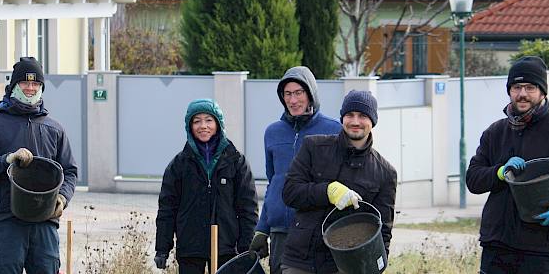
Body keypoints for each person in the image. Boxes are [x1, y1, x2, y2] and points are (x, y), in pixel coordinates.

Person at [467, 56, 549, 273]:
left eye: (530, 87)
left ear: (543, 92)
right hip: (497, 245)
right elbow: (473, 179)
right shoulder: (495, 132)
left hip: (543, 248)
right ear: (509, 91)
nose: (522, 94)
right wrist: (499, 172)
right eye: (516, 87)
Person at [0, 56, 78, 274]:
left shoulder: (54, 129)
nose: (30, 88)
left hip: (45, 223)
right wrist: (6, 159)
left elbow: (70, 171)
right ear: (13, 85)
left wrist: (62, 197)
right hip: (7, 222)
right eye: (25, 83)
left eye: (36, 84)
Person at [281, 90, 397, 274]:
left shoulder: (385, 173)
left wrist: (375, 267)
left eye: (363, 116)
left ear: (373, 121)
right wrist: (327, 191)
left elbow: (383, 231)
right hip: (300, 260)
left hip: (345, 265)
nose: (355, 121)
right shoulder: (314, 147)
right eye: (350, 115)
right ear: (342, 118)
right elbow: (290, 193)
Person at [249, 66, 341, 274]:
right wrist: (263, 228)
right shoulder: (272, 133)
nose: (293, 100)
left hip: (317, 230)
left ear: (311, 94)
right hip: (281, 231)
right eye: (287, 94)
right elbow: (274, 184)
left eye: (298, 93)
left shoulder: (333, 131)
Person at [154, 98, 259, 274]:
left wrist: (246, 247)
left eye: (209, 120)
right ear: (189, 127)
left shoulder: (236, 161)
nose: (203, 126)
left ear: (218, 124)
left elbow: (248, 208)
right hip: (191, 248)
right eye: (197, 121)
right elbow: (167, 209)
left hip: (227, 249)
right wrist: (162, 248)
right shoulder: (179, 165)